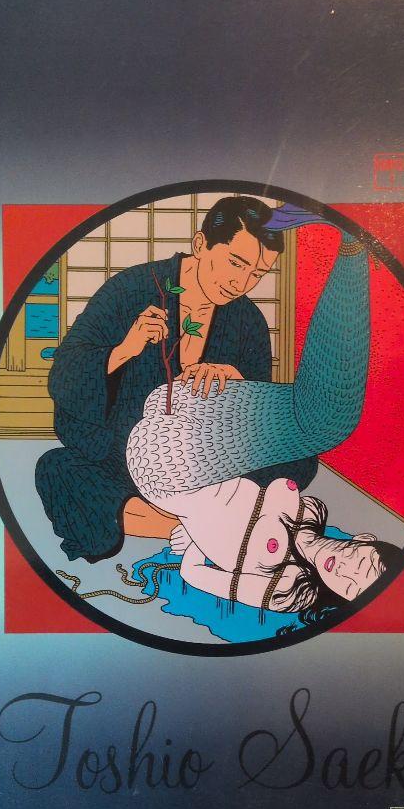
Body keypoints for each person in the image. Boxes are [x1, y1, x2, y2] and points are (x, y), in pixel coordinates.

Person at [124, 212, 404, 633]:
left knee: (327, 424)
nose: (343, 569)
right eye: (360, 562)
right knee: (317, 430)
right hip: (185, 416)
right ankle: (350, 249)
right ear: (364, 539)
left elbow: (195, 574)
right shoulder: (313, 512)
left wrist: (192, 532)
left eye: (349, 586)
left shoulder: (286, 590)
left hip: (168, 472)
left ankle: (351, 249)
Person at [36, 196, 318, 562]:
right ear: (201, 244)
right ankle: (197, 528)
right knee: (57, 470)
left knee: (301, 457)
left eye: (257, 274)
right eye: (236, 263)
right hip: (127, 451)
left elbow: (259, 418)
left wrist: (236, 382)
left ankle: (191, 522)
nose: (241, 282)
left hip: (205, 459)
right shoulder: (131, 290)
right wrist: (124, 349)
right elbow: (64, 375)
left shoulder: (247, 320)